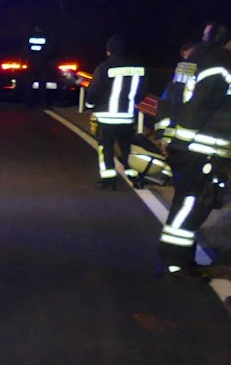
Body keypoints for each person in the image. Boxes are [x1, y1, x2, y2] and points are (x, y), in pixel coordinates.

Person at [159, 23, 231, 277]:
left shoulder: (189, 62)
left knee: (185, 203)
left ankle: (180, 260)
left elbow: (169, 99)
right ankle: (176, 263)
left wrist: (169, 137)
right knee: (193, 206)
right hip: (202, 149)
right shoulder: (223, 65)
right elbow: (199, 108)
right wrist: (186, 140)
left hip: (183, 147)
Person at [85, 35, 148, 189]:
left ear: (109, 51)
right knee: (128, 149)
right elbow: (142, 92)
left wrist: (89, 104)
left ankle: (109, 180)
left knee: (105, 148)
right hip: (127, 117)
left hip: (106, 117)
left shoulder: (104, 67)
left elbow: (94, 91)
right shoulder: (138, 69)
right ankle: (134, 177)